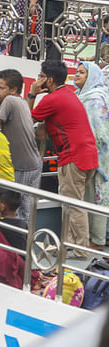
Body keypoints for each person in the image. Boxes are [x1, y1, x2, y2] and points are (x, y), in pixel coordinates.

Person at [29, 60, 98, 258]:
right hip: (85, 154)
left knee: (75, 205)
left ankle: (81, 251)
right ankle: (68, 245)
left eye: (40, 77)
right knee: (70, 203)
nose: (38, 80)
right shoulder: (67, 93)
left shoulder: (52, 99)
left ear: (48, 80)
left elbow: (27, 119)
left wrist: (32, 93)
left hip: (74, 157)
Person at [0, 68, 42, 220]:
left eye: (1, 88)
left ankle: (17, 240)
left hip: (23, 166)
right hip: (34, 163)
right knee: (26, 208)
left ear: (13, 90)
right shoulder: (21, 102)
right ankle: (25, 239)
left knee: (18, 207)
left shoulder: (9, 100)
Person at [73, 61, 109, 249]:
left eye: (82, 73)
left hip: (97, 155)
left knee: (96, 196)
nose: (77, 75)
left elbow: (101, 131)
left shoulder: (95, 99)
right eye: (77, 72)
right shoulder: (83, 96)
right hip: (88, 153)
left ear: (92, 77)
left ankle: (97, 240)